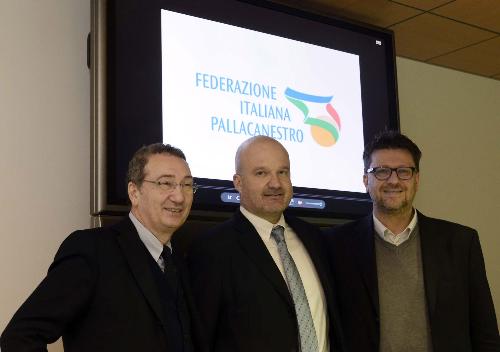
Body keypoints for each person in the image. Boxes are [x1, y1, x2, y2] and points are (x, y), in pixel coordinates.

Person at [1, 143, 206, 352]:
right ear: (134, 192)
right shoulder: (91, 249)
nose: (179, 197)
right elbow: (20, 337)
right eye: (165, 183)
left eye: (187, 185)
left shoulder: (180, 260)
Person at [325, 130, 500, 352]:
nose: (393, 180)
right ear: (365, 180)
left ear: (416, 180)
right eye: (381, 171)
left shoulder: (460, 243)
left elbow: (485, 333)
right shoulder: (335, 245)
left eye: (404, 172)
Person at [189, 135, 344, 352]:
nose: (276, 184)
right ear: (238, 182)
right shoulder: (212, 250)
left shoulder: (315, 239)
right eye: (261, 173)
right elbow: (201, 339)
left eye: (283, 172)